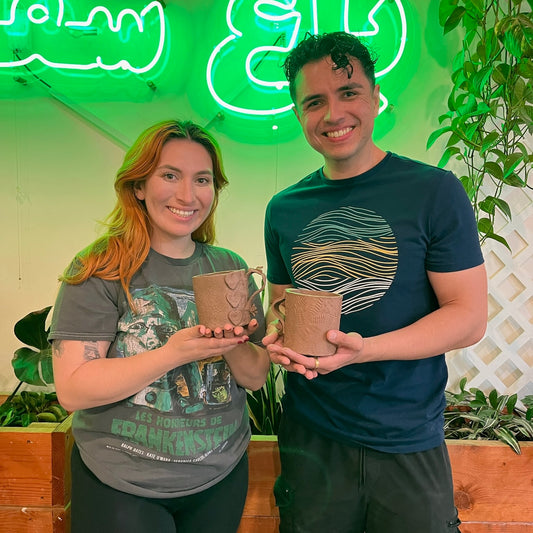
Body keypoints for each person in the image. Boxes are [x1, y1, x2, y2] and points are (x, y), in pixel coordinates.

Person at [262, 32, 488, 533]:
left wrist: (365, 350)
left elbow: (468, 317)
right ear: (298, 113)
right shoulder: (284, 209)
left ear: (374, 96)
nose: (333, 113)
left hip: (407, 437)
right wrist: (276, 336)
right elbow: (282, 307)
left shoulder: (433, 191)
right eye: (313, 102)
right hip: (312, 438)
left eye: (348, 93)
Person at [48, 119, 271, 533]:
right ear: (138, 185)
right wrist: (172, 354)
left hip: (219, 478)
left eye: (202, 179)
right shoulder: (101, 267)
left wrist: (231, 343)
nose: (187, 195)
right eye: (170, 175)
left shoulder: (229, 267)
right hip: (122, 484)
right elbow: (74, 389)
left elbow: (256, 377)